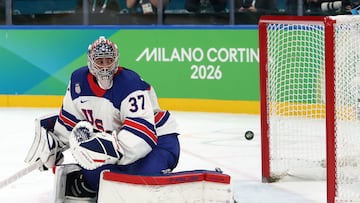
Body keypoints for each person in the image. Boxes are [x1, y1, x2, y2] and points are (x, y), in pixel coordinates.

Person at [25, 36, 181, 201]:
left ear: (116, 60)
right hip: (122, 148)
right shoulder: (78, 82)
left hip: (159, 142)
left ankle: (97, 183)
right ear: (91, 61)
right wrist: (54, 147)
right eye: (100, 61)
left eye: (109, 60)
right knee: (97, 169)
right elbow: (69, 122)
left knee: (138, 185)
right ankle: (90, 181)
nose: (105, 67)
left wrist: (109, 150)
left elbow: (143, 136)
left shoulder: (129, 83)